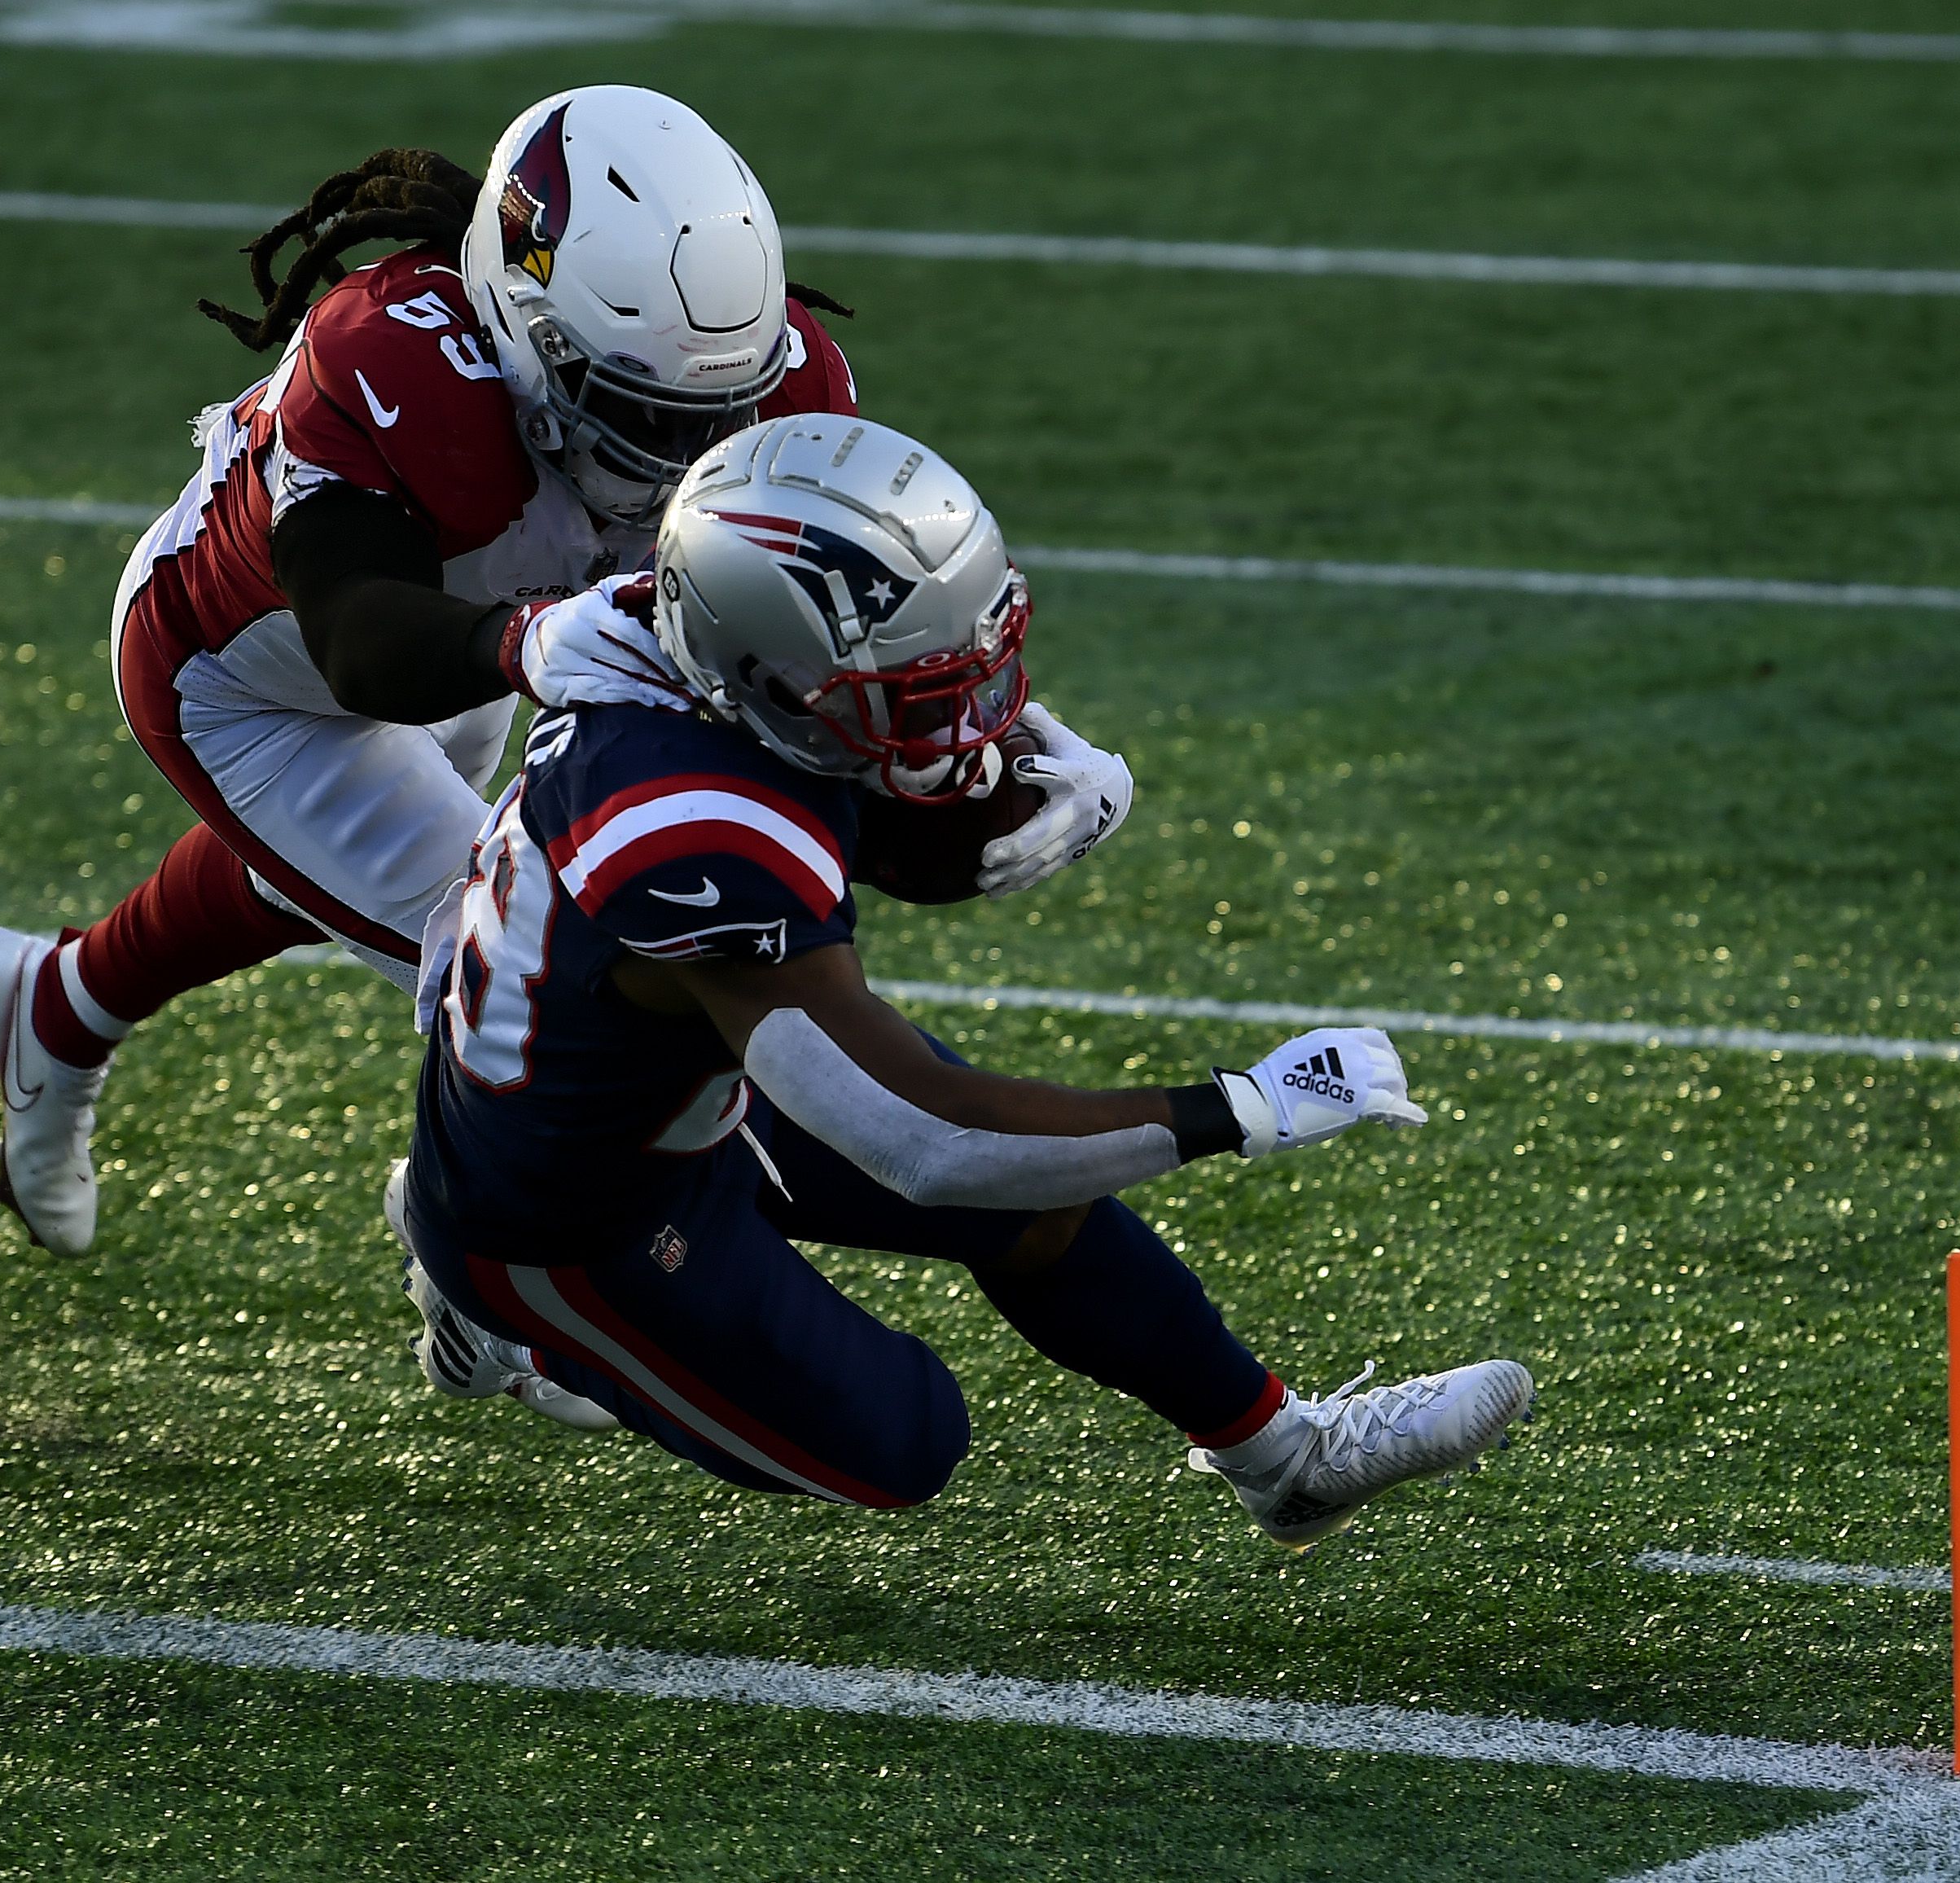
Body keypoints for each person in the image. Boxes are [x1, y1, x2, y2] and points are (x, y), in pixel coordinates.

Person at [0, 86, 1135, 1259]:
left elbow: (835, 609)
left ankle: (55, 1002)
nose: (690, 458)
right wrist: (520, 643)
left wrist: (1014, 731)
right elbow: (357, 639)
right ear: (529, 332)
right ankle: (475, 1257)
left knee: (335, 871)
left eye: (719, 414)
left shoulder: (784, 377)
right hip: (254, 682)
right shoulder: (391, 362)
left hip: (487, 643)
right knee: (533, 952)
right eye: (643, 411)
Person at [389, 413, 1532, 1547]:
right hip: (565, 1212)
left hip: (674, 1084)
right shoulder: (687, 820)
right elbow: (929, 1145)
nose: (976, 720)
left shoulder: (698, 655)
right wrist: (1239, 1109)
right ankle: (510, 1331)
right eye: (927, 691)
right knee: (905, 1436)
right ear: (769, 679)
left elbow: (870, 807)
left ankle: (1285, 1459)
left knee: (1037, 1211)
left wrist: (1051, 772)